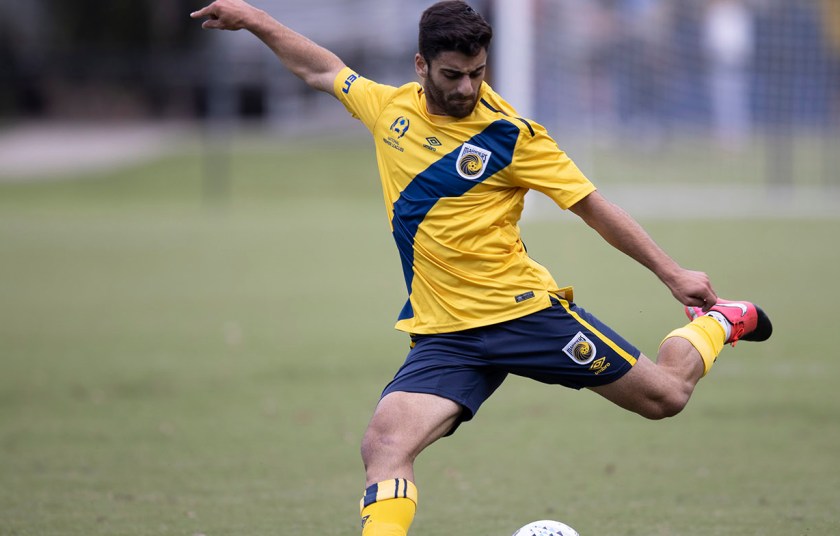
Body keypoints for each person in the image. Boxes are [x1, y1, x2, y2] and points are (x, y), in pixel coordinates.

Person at [190, 2, 773, 535]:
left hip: (524, 315)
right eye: (453, 75)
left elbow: (593, 208)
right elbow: (321, 68)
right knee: (385, 445)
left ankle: (720, 322)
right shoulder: (389, 110)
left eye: (477, 73)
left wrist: (672, 274)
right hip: (446, 335)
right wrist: (255, 19)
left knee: (665, 396)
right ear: (421, 66)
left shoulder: (512, 136)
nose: (467, 87)